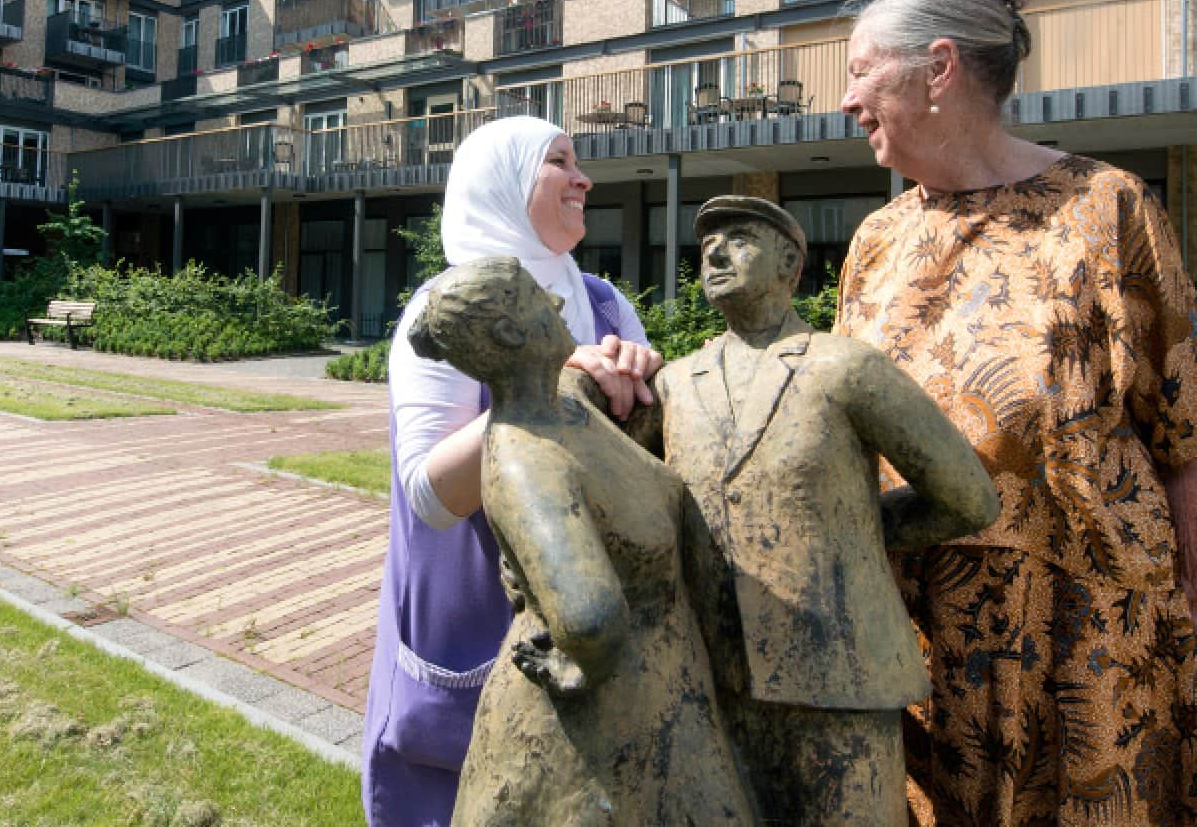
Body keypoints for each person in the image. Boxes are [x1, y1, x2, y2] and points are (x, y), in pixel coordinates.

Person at [833, 0, 1197, 825]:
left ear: (938, 69)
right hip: (915, 671)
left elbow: (1196, 449)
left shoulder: (1109, 212)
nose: (846, 100)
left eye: (860, 71)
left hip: (1092, 673)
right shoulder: (879, 241)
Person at [633, 195, 998, 826]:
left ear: (790, 264)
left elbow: (967, 497)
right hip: (710, 686)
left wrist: (849, 529)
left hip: (839, 677)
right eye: (707, 243)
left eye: (740, 237)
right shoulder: (673, 384)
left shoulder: (845, 367)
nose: (715, 251)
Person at [364, 116, 663, 827]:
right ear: (501, 186)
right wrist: (550, 386)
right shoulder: (445, 311)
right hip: (477, 614)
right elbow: (430, 495)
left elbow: (647, 456)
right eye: (559, 162)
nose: (584, 178)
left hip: (591, 600)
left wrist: (645, 386)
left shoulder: (604, 304)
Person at [420, 257, 755, 826]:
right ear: (508, 332)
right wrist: (580, 663)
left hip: (661, 697)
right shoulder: (527, 461)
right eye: (536, 296)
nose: (555, 304)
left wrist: (645, 373)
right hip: (596, 733)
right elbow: (590, 616)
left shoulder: (569, 403)